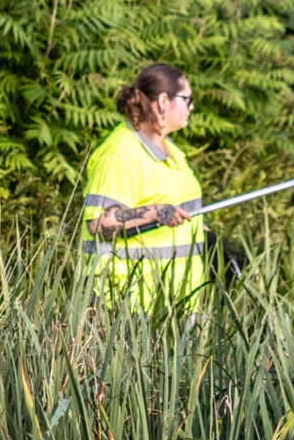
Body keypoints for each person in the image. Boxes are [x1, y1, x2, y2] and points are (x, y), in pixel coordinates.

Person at [82, 63, 207, 310]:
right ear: (163, 101)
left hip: (176, 300)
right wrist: (155, 212)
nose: (191, 106)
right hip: (130, 303)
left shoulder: (171, 149)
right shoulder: (119, 153)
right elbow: (99, 224)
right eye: (187, 99)